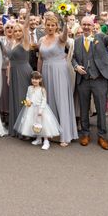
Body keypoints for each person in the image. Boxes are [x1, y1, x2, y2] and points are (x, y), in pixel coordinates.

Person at [71, 13, 108, 149]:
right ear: (81, 25)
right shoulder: (77, 41)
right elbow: (73, 58)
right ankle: (85, 134)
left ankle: (102, 136)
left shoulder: (100, 37)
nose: (86, 27)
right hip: (83, 80)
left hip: (99, 79)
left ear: (93, 26)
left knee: (101, 109)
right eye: (84, 24)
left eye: (88, 25)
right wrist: (76, 66)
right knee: (84, 109)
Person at [39, 13, 78, 146]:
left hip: (59, 70)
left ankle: (65, 135)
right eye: (48, 25)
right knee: (48, 102)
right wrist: (38, 75)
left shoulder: (60, 38)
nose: (50, 27)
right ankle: (51, 132)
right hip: (45, 70)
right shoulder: (41, 40)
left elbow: (65, 35)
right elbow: (40, 58)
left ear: (56, 26)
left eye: (53, 25)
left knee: (61, 100)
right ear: (45, 26)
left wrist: (66, 22)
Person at [13, 71, 62, 150]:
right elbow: (27, 96)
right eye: (33, 79)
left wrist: (41, 110)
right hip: (31, 108)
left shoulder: (42, 89)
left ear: (40, 80)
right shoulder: (30, 88)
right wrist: (28, 101)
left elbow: (44, 100)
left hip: (40, 109)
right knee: (34, 124)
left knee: (43, 124)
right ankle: (38, 139)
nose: (34, 80)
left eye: (36, 79)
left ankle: (46, 141)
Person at [7, 21, 33, 137]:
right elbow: (9, 61)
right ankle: (17, 128)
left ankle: (25, 130)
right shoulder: (12, 42)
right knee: (15, 98)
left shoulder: (25, 42)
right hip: (13, 71)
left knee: (23, 99)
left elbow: (26, 27)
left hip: (23, 71)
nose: (17, 33)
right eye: (15, 30)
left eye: (19, 31)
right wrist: (8, 75)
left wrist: (27, 10)